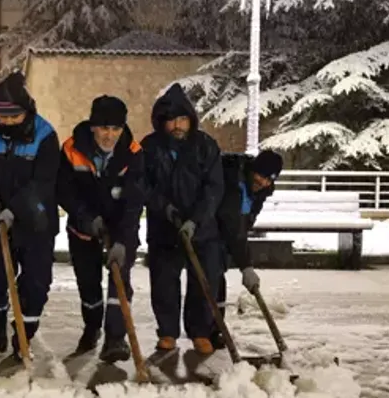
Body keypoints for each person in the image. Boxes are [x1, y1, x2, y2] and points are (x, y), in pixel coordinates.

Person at [0, 72, 60, 359]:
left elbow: (44, 182)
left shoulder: (44, 135)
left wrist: (14, 209)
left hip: (36, 221)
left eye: (14, 116)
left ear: (27, 112)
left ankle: (23, 336)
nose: (6, 121)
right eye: (1, 115)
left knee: (35, 283)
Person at [57, 95, 145, 364]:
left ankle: (115, 338)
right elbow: (64, 190)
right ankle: (92, 327)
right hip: (83, 229)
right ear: (93, 126)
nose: (110, 135)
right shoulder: (72, 148)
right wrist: (86, 219)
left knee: (120, 282)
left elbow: (134, 201)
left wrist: (122, 240)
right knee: (89, 284)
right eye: (105, 128)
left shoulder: (133, 152)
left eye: (116, 129)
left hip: (120, 228)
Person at [142, 83, 225, 355]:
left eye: (182, 119)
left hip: (202, 230)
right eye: (171, 120)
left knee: (204, 281)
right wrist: (164, 209)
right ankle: (167, 331)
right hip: (164, 230)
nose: (177, 125)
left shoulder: (205, 146)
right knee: (164, 282)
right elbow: (142, 185)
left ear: (190, 120)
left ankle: (200, 331)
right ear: (161, 122)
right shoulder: (150, 148)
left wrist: (196, 220)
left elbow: (214, 187)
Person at [212, 150, 283, 347]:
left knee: (217, 275)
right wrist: (246, 265)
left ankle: (214, 329)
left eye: (269, 180)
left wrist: (242, 258)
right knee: (212, 275)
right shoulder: (233, 180)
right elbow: (232, 222)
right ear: (253, 170)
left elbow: (244, 222)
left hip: (228, 232)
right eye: (261, 176)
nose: (263, 182)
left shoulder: (261, 190)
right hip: (209, 228)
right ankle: (208, 331)